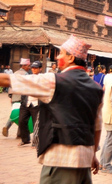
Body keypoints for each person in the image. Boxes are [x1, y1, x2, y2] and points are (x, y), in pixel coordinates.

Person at [0, 35, 104, 184]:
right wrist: (93, 154)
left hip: (61, 159)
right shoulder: (96, 88)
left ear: (70, 58)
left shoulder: (54, 81)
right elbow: (97, 127)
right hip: (85, 159)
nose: (57, 57)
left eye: (61, 53)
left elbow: (9, 80)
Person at [16, 58, 33, 146]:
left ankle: (36, 142)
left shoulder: (31, 74)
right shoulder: (20, 73)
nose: (31, 68)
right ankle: (25, 139)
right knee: (21, 120)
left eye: (33, 67)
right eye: (30, 66)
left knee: (36, 122)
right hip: (24, 101)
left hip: (34, 102)